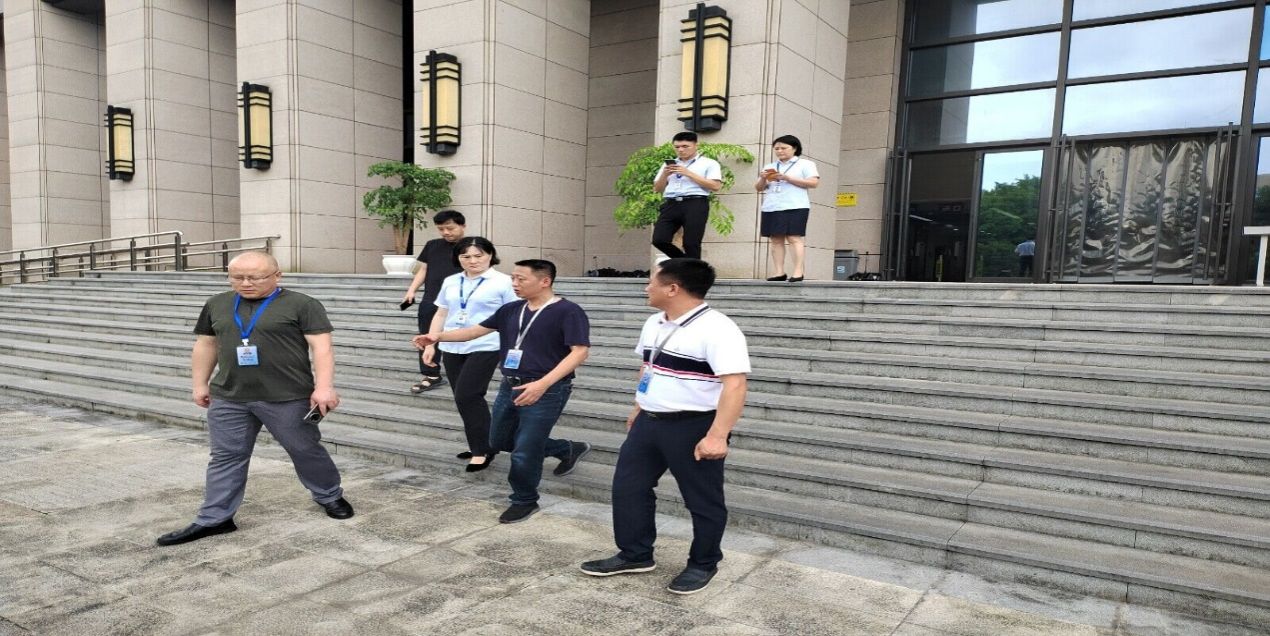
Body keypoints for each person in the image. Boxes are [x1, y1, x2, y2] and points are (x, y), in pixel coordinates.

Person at [157, 251, 352, 546]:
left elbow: (322, 347)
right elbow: (206, 344)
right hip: (230, 396)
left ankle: (329, 495)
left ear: (277, 275)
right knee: (226, 456)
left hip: (287, 396)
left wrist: (324, 387)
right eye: (237, 277)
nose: (245, 283)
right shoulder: (217, 303)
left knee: (304, 449)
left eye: (255, 277)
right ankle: (216, 518)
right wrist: (199, 384)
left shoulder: (303, 304)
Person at [580, 258, 750, 595]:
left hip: (693, 425)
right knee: (628, 488)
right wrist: (638, 406)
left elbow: (735, 385)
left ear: (672, 288)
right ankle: (635, 553)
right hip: (649, 421)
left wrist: (717, 435)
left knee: (702, 500)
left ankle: (703, 563)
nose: (646, 288)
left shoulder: (718, 329)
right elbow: (648, 367)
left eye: (651, 282)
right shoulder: (654, 322)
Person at [414, 260, 592, 524]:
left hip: (546, 389)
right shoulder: (511, 310)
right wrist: (437, 337)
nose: (515, 284)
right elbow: (474, 331)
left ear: (545, 281)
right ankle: (566, 448)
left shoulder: (568, 311)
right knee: (498, 440)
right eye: (513, 278)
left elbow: (580, 352)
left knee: (525, 449)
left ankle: (524, 500)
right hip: (511, 384)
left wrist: (543, 384)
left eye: (521, 279)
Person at [420, 236, 517, 471]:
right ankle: (481, 444)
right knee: (463, 397)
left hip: (487, 344)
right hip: (452, 345)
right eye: (466, 256)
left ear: (490, 255)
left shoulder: (504, 282)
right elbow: (441, 313)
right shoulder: (451, 281)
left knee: (468, 395)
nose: (472, 261)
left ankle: (482, 449)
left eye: (478, 255)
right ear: (458, 258)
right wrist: (431, 344)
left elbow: (514, 317)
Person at [402, 210, 465, 394]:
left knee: (459, 336)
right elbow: (423, 270)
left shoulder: (472, 247)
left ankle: (463, 375)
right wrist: (412, 290)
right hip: (431, 298)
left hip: (459, 301)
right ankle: (431, 374)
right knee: (426, 336)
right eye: (441, 229)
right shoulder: (432, 245)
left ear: (462, 226)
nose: (446, 232)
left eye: (450, 228)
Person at [755, 135, 819, 282]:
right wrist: (763, 178)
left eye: (784, 148)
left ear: (794, 148)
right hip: (772, 206)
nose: (779, 151)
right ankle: (779, 272)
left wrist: (787, 178)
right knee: (775, 239)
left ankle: (798, 272)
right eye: (776, 148)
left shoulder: (805, 164)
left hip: (795, 205)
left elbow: (813, 183)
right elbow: (759, 188)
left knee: (794, 237)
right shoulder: (769, 166)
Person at [651, 131, 722, 260]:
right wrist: (664, 175)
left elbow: (715, 186)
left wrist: (688, 173)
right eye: (677, 147)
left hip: (695, 203)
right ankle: (687, 263)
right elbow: (657, 188)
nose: (680, 150)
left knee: (691, 243)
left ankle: (693, 270)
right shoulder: (669, 164)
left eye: (685, 146)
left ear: (696, 145)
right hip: (671, 203)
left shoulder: (709, 163)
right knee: (659, 240)